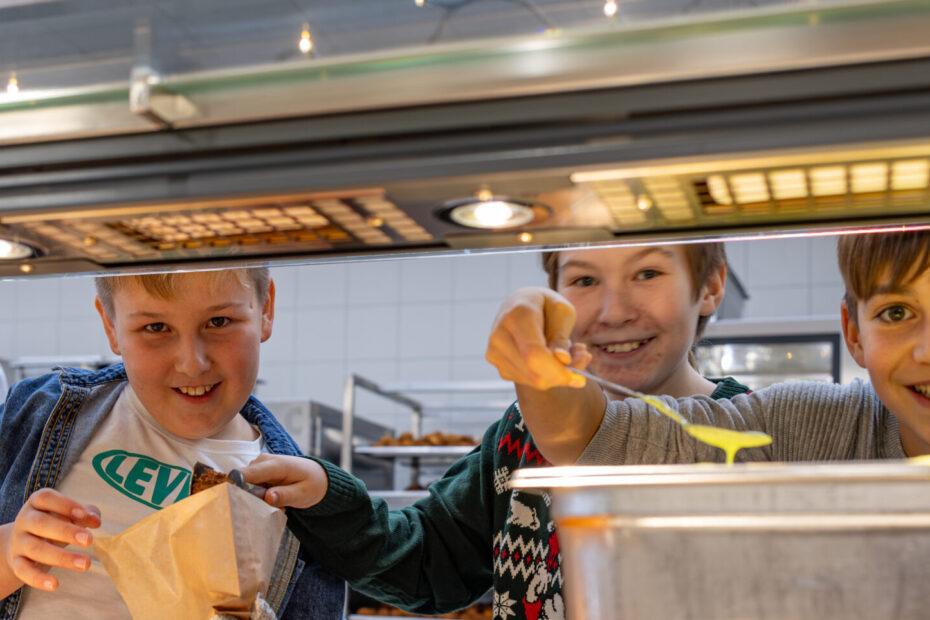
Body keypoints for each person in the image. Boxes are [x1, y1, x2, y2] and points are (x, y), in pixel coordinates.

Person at [241, 243, 749, 620]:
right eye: (584, 281)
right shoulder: (520, 436)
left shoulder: (748, 435)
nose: (614, 311)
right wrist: (328, 497)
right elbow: (429, 561)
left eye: (648, 272)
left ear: (710, 286)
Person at [0, 269, 345, 619]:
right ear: (110, 324)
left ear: (266, 309)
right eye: (155, 328)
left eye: (219, 321)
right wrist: (7, 552)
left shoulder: (303, 507)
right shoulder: (36, 417)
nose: (192, 363)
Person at [513, 230, 930, 467]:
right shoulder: (813, 428)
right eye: (896, 313)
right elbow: (591, 437)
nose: (926, 350)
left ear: (711, 287)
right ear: (853, 334)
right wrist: (530, 332)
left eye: (647, 273)